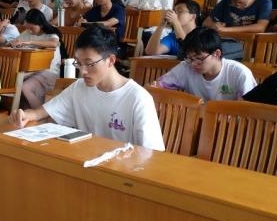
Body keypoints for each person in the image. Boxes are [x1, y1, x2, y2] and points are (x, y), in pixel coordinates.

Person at [10, 25, 164, 150]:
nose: (83, 71)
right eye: (79, 63)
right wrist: (24, 114)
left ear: (110, 60)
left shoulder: (138, 99)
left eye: (89, 64)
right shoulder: (79, 87)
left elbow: (152, 154)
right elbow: (40, 113)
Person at [155, 28, 256, 101]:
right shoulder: (186, 67)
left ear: (217, 54)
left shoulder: (239, 73)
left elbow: (247, 109)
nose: (193, 64)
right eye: (190, 58)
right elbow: (155, 88)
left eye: (199, 58)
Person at [8, 9, 61, 109]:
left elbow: (54, 43)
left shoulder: (51, 34)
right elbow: (14, 42)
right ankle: (22, 110)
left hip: (49, 71)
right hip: (31, 71)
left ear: (41, 24)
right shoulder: (27, 32)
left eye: (32, 28)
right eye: (27, 28)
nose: (29, 31)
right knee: (14, 82)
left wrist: (31, 42)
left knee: (24, 87)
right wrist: (13, 43)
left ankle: (40, 113)